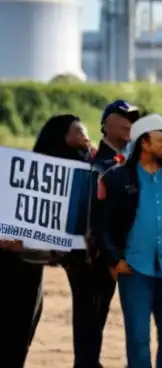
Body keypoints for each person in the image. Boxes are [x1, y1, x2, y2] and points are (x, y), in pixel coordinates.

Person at [99, 114, 162, 368]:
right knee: (138, 340)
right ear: (144, 143)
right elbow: (102, 224)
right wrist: (115, 259)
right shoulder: (116, 178)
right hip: (134, 270)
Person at [2, 114, 94, 366]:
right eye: (78, 132)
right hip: (18, 259)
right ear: (60, 135)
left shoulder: (87, 164)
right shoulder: (27, 169)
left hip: (63, 253)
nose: (84, 136)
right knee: (14, 320)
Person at [90, 99, 142, 364]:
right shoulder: (92, 163)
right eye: (123, 116)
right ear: (105, 124)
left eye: (133, 118)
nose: (129, 122)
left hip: (136, 252)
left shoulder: (139, 162)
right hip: (102, 255)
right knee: (93, 316)